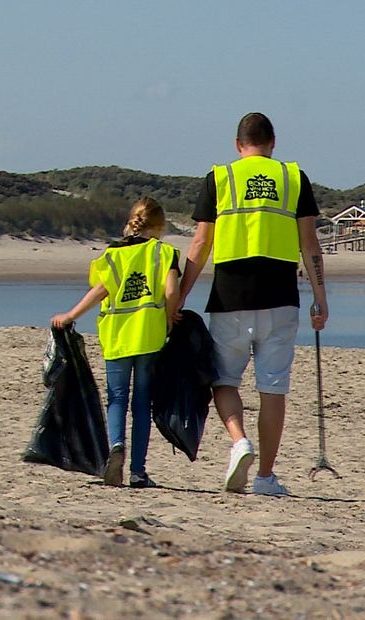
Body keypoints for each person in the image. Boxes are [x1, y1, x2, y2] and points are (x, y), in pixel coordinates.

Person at [179, 112, 329, 497]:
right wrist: (320, 297)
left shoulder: (220, 177)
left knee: (224, 380)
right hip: (280, 297)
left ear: (237, 144)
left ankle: (238, 441)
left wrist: (179, 296)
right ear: (273, 142)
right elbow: (310, 244)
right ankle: (265, 477)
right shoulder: (294, 177)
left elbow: (200, 244)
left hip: (230, 297)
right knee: (273, 388)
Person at [52, 197, 180, 489]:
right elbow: (171, 290)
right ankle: (138, 471)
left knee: (117, 398)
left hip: (117, 334)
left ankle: (116, 447)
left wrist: (71, 315)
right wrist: (171, 316)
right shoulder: (164, 252)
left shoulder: (112, 254)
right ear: (159, 226)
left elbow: (101, 290)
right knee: (142, 404)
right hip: (149, 335)